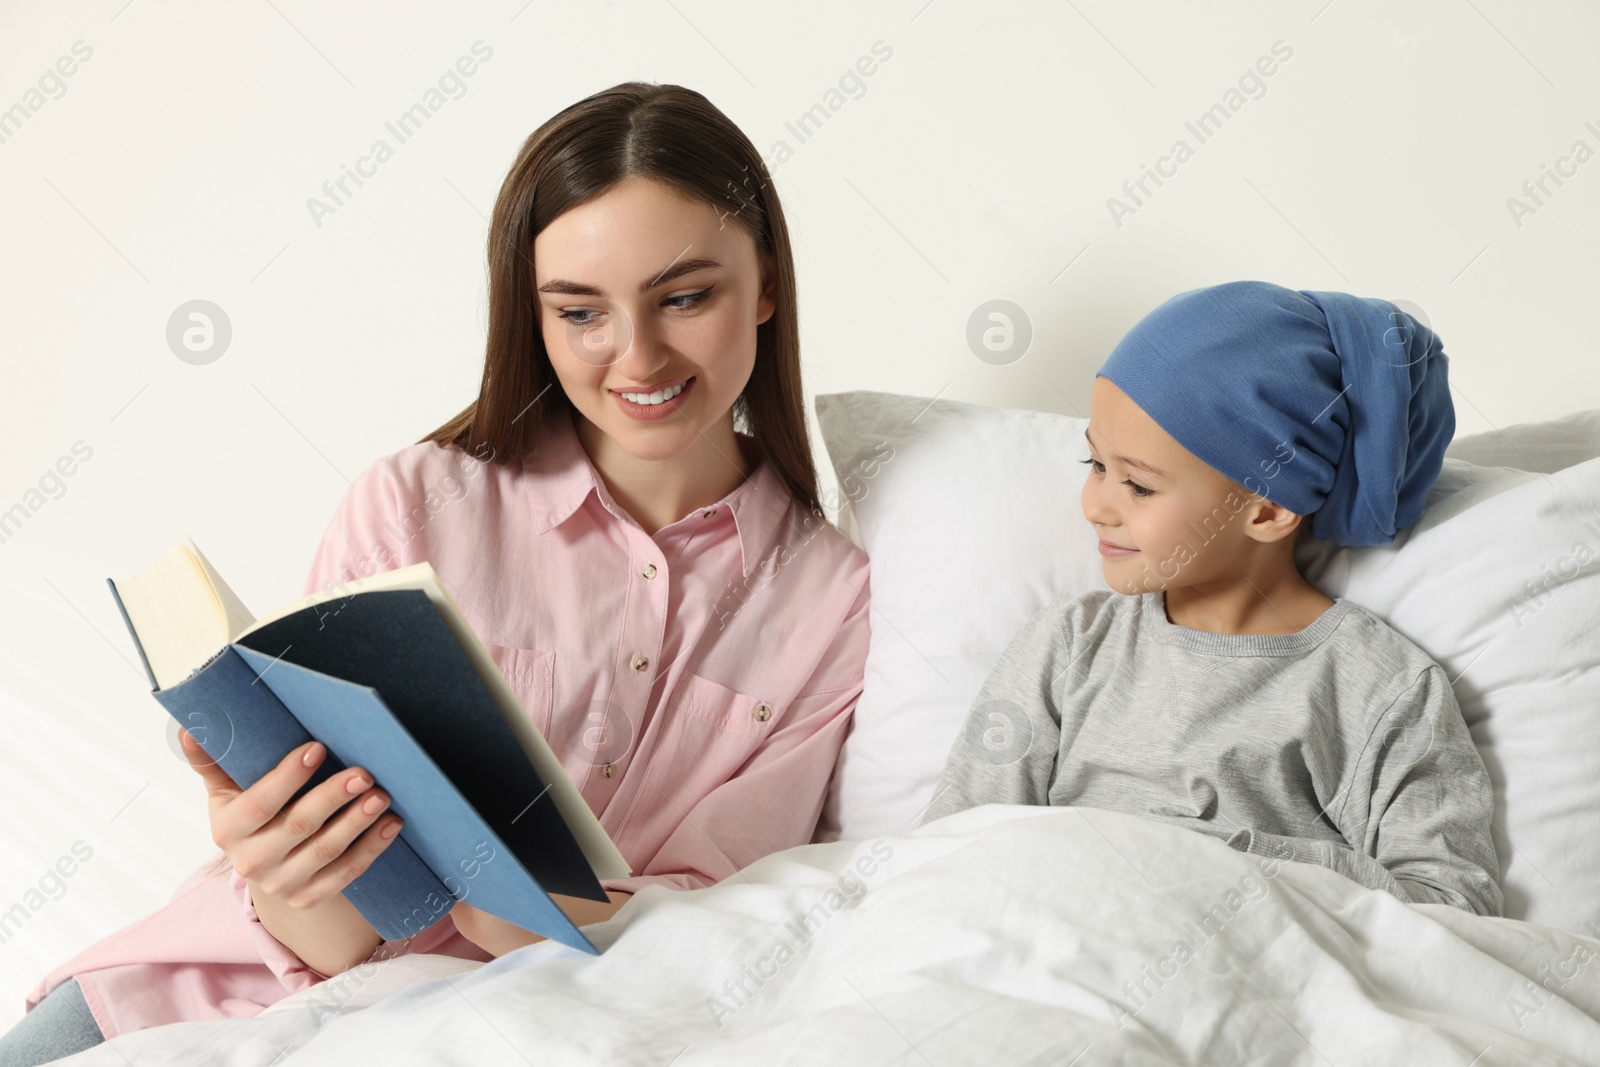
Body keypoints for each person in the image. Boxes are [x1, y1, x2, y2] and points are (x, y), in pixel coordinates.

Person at [5, 81, 870, 1061]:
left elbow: (705, 938)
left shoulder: (832, 599)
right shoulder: (415, 501)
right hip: (214, 987)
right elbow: (324, 930)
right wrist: (286, 849)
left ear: (765, 286)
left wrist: (525, 910)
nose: (636, 355)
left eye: (684, 297)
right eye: (579, 311)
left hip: (512, 1023)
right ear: (533, 317)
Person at [921, 280, 1502, 917]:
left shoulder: (1379, 688)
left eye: (1138, 486)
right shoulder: (1071, 646)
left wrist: (1204, 858)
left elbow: (1453, 907)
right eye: (1094, 464)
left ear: (1270, 510)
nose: (1095, 505)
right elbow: (952, 847)